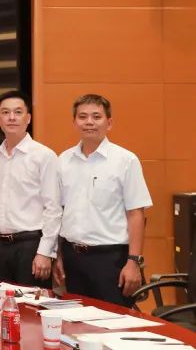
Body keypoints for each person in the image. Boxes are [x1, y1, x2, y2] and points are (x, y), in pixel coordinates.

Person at [54, 94, 152, 307]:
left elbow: (136, 214)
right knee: (76, 322)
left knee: (112, 322)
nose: (89, 122)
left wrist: (133, 262)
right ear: (74, 122)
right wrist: (58, 255)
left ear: (109, 123)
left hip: (111, 260)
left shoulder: (126, 160)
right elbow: (59, 211)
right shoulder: (63, 160)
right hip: (73, 258)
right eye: (83, 117)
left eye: (96, 117)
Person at [0, 90, 61, 286]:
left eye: (18, 112)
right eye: (5, 112)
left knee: (30, 304)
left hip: (31, 246)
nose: (11, 117)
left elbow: (53, 208)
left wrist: (45, 252)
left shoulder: (44, 156)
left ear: (28, 118)